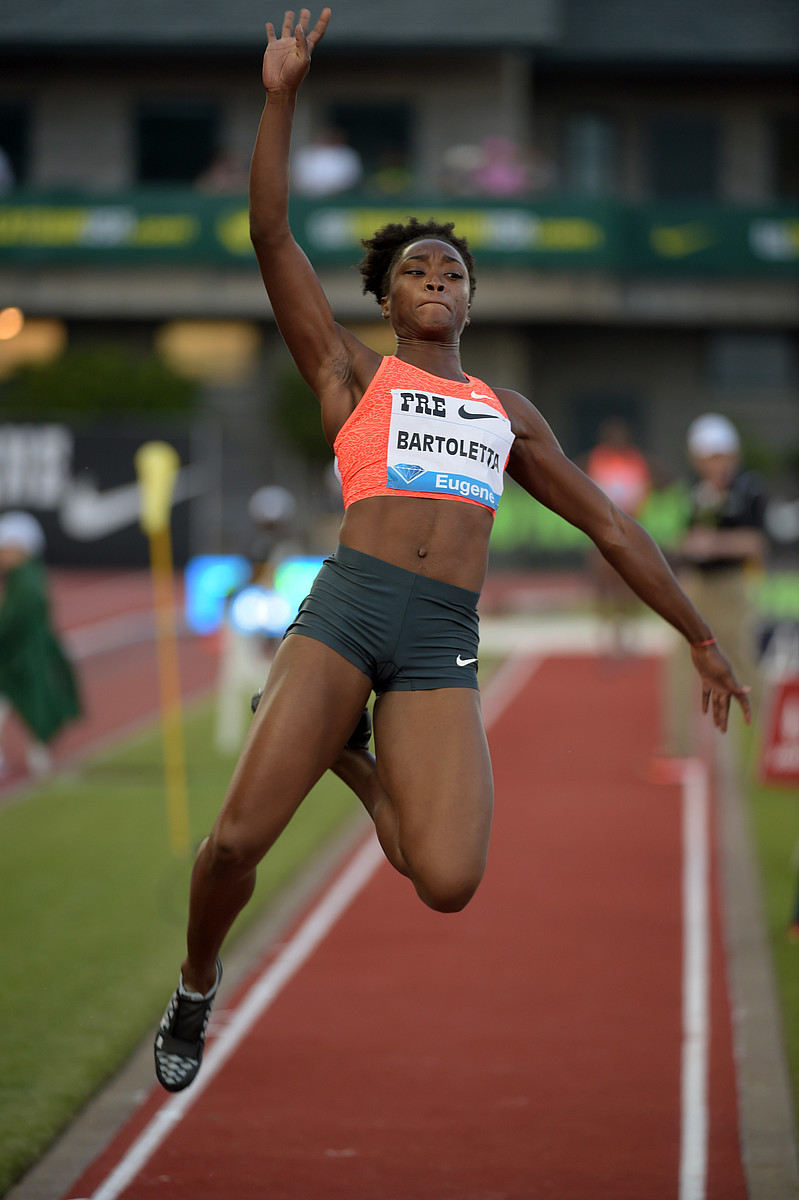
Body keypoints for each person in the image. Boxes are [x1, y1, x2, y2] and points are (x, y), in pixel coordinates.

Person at [153, 9, 751, 1094]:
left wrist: (701, 635)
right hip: (349, 608)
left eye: (454, 271)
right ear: (386, 300)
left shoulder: (506, 415)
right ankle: (197, 983)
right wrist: (279, 93)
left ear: (469, 299)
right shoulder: (347, 373)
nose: (438, 277)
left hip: (438, 638)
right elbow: (270, 236)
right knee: (236, 843)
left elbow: (611, 527)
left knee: (446, 877)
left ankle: (342, 746)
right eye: (418, 269)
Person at [662, 412, 768, 758]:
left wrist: (712, 544)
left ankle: (770, 739)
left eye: (719, 455)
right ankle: (678, 746)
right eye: (707, 457)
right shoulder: (696, 493)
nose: (713, 464)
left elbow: (756, 543)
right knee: (680, 661)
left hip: (730, 587)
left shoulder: (749, 489)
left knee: (743, 662)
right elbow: (686, 538)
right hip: (696, 585)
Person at [0, 511, 81, 778]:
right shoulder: (26, 577)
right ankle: (40, 759)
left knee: (34, 704)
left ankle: (40, 759)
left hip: (20, 656)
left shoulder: (26, 581)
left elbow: (12, 620)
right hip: (22, 653)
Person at [584, 418, 654, 655]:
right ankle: (606, 627)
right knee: (603, 579)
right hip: (602, 525)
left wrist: (630, 514)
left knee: (628, 578)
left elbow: (642, 490)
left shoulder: (634, 460)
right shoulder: (599, 458)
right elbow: (592, 488)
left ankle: (628, 628)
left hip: (626, 525)